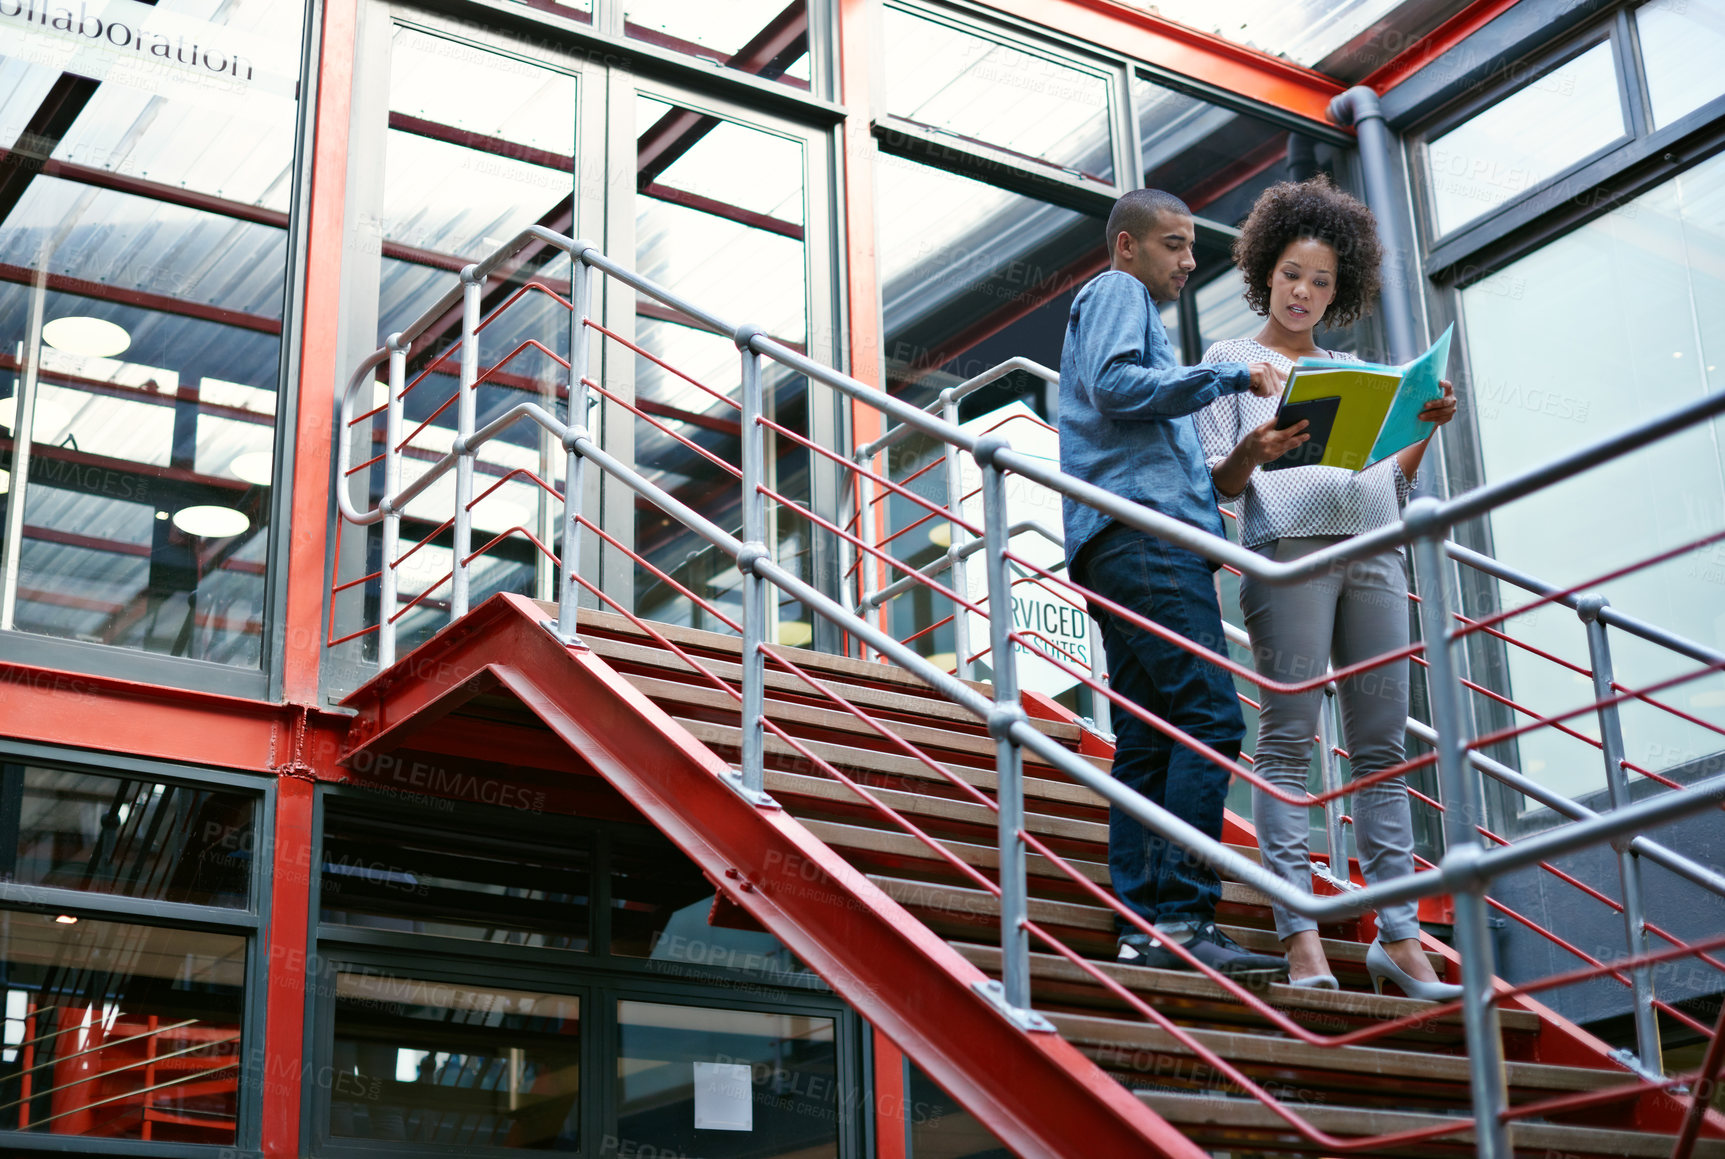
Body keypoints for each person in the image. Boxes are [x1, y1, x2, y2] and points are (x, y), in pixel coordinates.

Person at [1196, 175, 1462, 999]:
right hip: (1288, 549)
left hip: (1376, 546)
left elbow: (1387, 481)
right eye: (1291, 275)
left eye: (1321, 280)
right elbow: (1218, 486)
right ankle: (1299, 935)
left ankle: (1401, 938)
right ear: (1263, 273)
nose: (1304, 292)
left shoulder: (1353, 370)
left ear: (1337, 287)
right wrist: (1258, 448)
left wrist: (1421, 431)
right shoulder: (1231, 362)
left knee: (1382, 751)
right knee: (1286, 743)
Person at [1059, 188, 1288, 976]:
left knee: (1151, 737)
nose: (1189, 261)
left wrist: (1245, 452)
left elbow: (1133, 406)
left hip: (1122, 541)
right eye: (1173, 244)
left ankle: (1141, 927)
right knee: (1210, 718)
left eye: (1192, 247)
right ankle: (1184, 917)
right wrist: (1221, 380)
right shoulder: (1117, 291)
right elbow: (1118, 387)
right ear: (1126, 247)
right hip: (1144, 538)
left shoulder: (1122, 305)